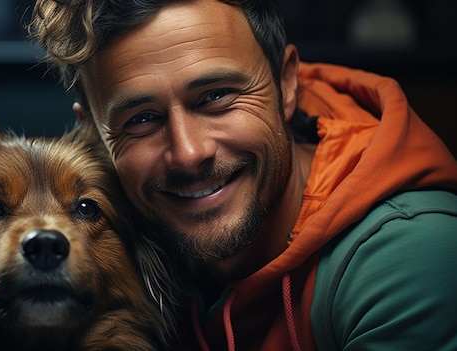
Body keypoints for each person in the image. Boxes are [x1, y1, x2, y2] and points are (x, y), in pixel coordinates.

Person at [29, 0, 457, 350]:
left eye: (216, 96)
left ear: (287, 84)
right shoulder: (121, 239)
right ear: (95, 135)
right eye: (142, 119)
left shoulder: (409, 256)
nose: (188, 153)